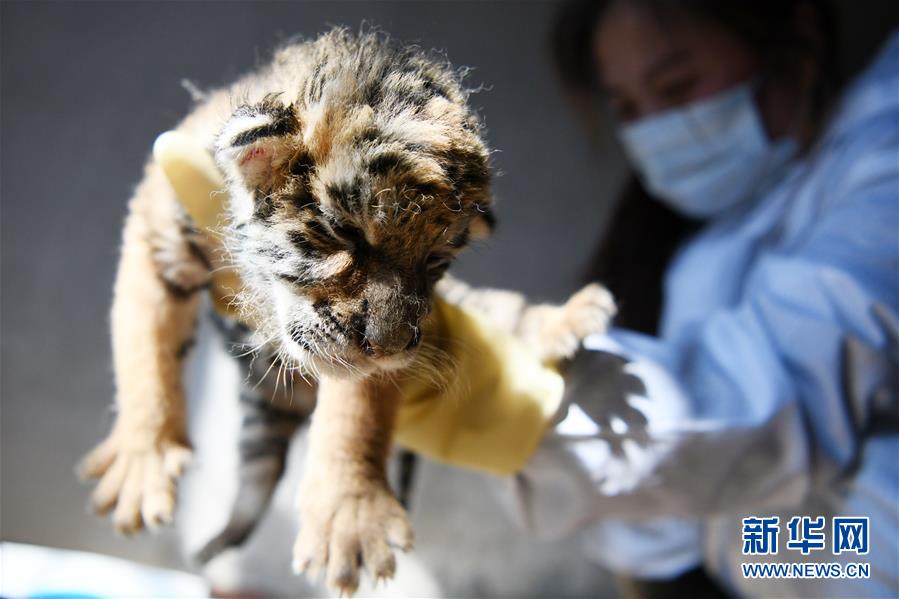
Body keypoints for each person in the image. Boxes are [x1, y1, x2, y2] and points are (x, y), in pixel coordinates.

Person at [497, 1, 898, 597]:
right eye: (628, 108)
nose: (657, 129)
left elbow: (776, 397)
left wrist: (493, 389)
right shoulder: (691, 251)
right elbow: (672, 537)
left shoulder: (880, 171)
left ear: (797, 32)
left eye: (678, 86)